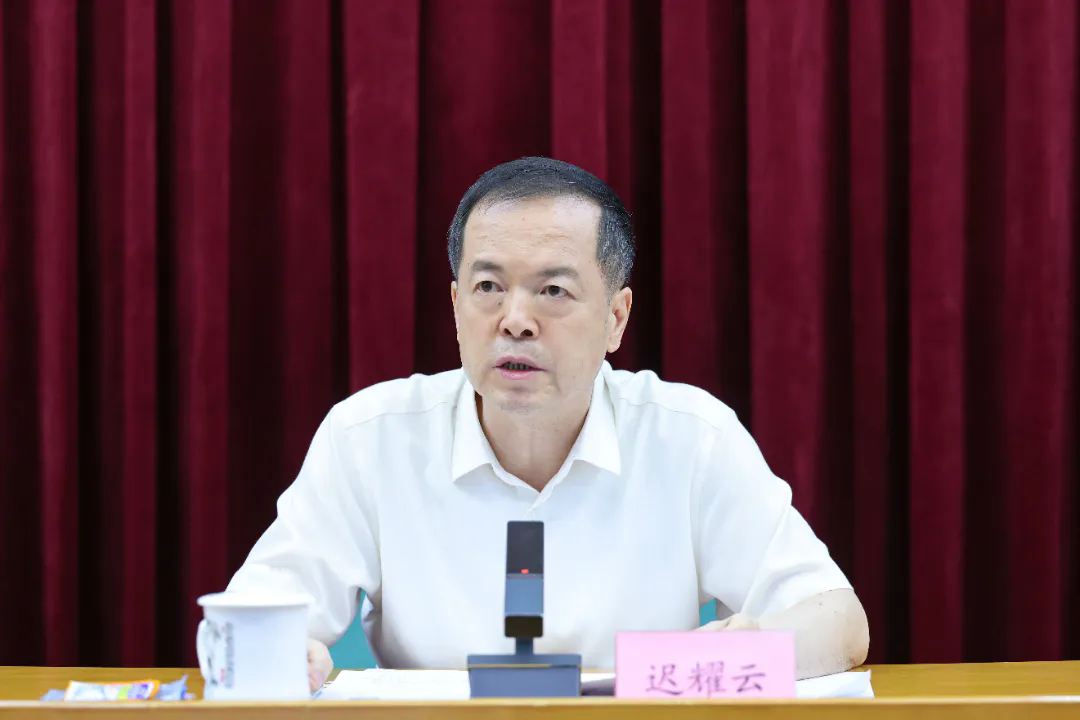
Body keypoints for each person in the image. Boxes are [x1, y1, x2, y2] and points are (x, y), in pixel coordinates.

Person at [226, 157, 869, 692]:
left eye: (553, 291)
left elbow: (838, 621)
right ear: (455, 306)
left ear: (616, 318)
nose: (515, 320)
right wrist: (283, 652)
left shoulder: (690, 437)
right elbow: (252, 624)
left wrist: (744, 652)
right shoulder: (369, 439)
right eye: (487, 287)